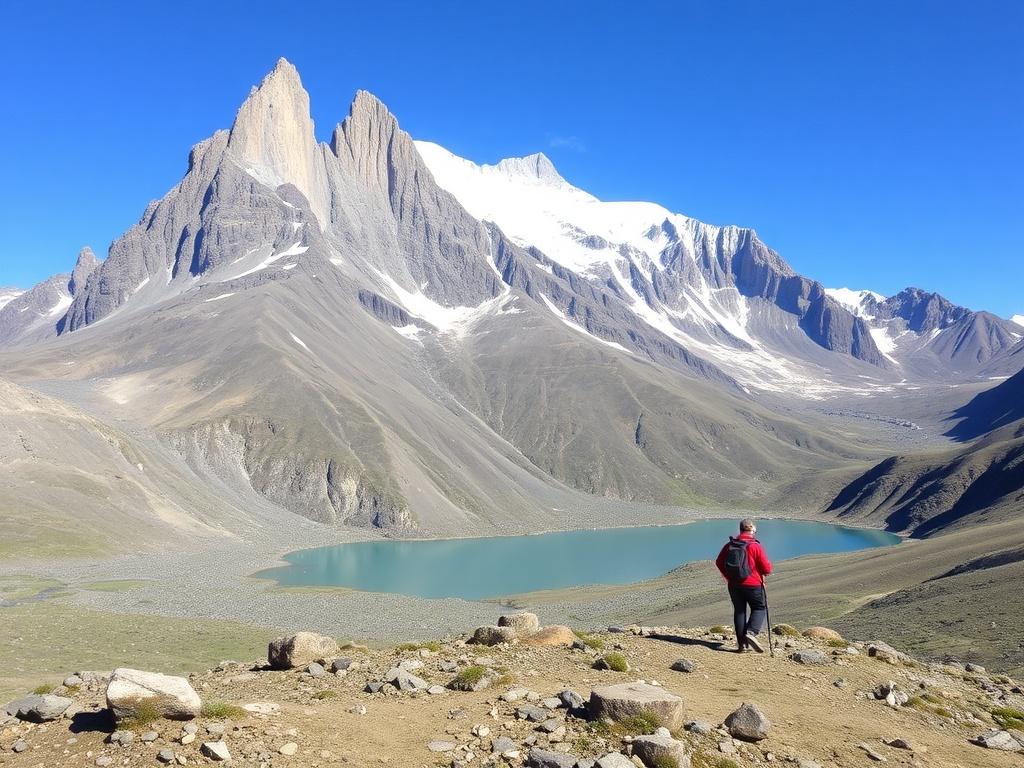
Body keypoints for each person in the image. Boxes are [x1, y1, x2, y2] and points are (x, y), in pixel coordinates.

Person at [715, 519, 773, 652]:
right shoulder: (755, 546)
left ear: (740, 530)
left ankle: (742, 645)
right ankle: (751, 633)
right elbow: (766, 568)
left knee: (740, 611)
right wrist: (765, 571)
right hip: (753, 584)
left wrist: (728, 576)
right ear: (752, 530)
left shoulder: (730, 544)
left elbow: (719, 562)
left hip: (734, 584)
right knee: (759, 607)